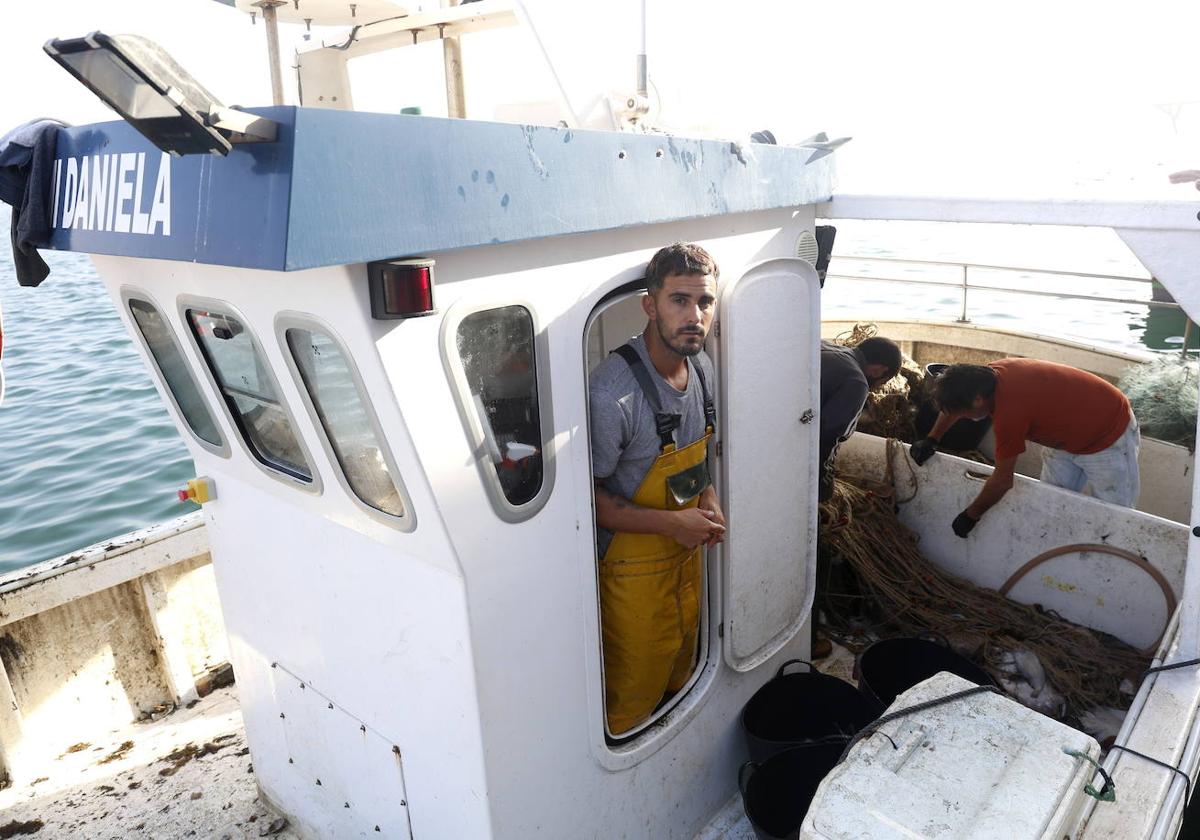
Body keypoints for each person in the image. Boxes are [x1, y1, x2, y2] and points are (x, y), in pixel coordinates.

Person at [588, 242, 726, 735]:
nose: (695, 316)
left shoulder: (704, 369)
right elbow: (591, 502)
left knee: (680, 679)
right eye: (679, 300)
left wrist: (707, 500)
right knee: (630, 705)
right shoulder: (611, 392)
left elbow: (698, 455)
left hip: (686, 564)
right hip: (631, 581)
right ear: (650, 304)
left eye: (705, 303)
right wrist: (674, 523)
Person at [911, 359, 1140, 538]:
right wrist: (933, 438)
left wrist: (971, 516)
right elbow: (954, 407)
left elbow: (1002, 481)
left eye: (964, 413)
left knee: (1116, 515)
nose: (962, 417)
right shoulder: (983, 378)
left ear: (979, 400)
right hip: (1062, 437)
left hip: (1108, 434)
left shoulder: (1009, 415)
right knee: (1050, 503)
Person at [819, 337, 903, 500]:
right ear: (880, 370)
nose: (876, 387)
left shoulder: (823, 345)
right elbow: (827, 436)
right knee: (824, 493)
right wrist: (824, 481)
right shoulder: (857, 382)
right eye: (883, 381)